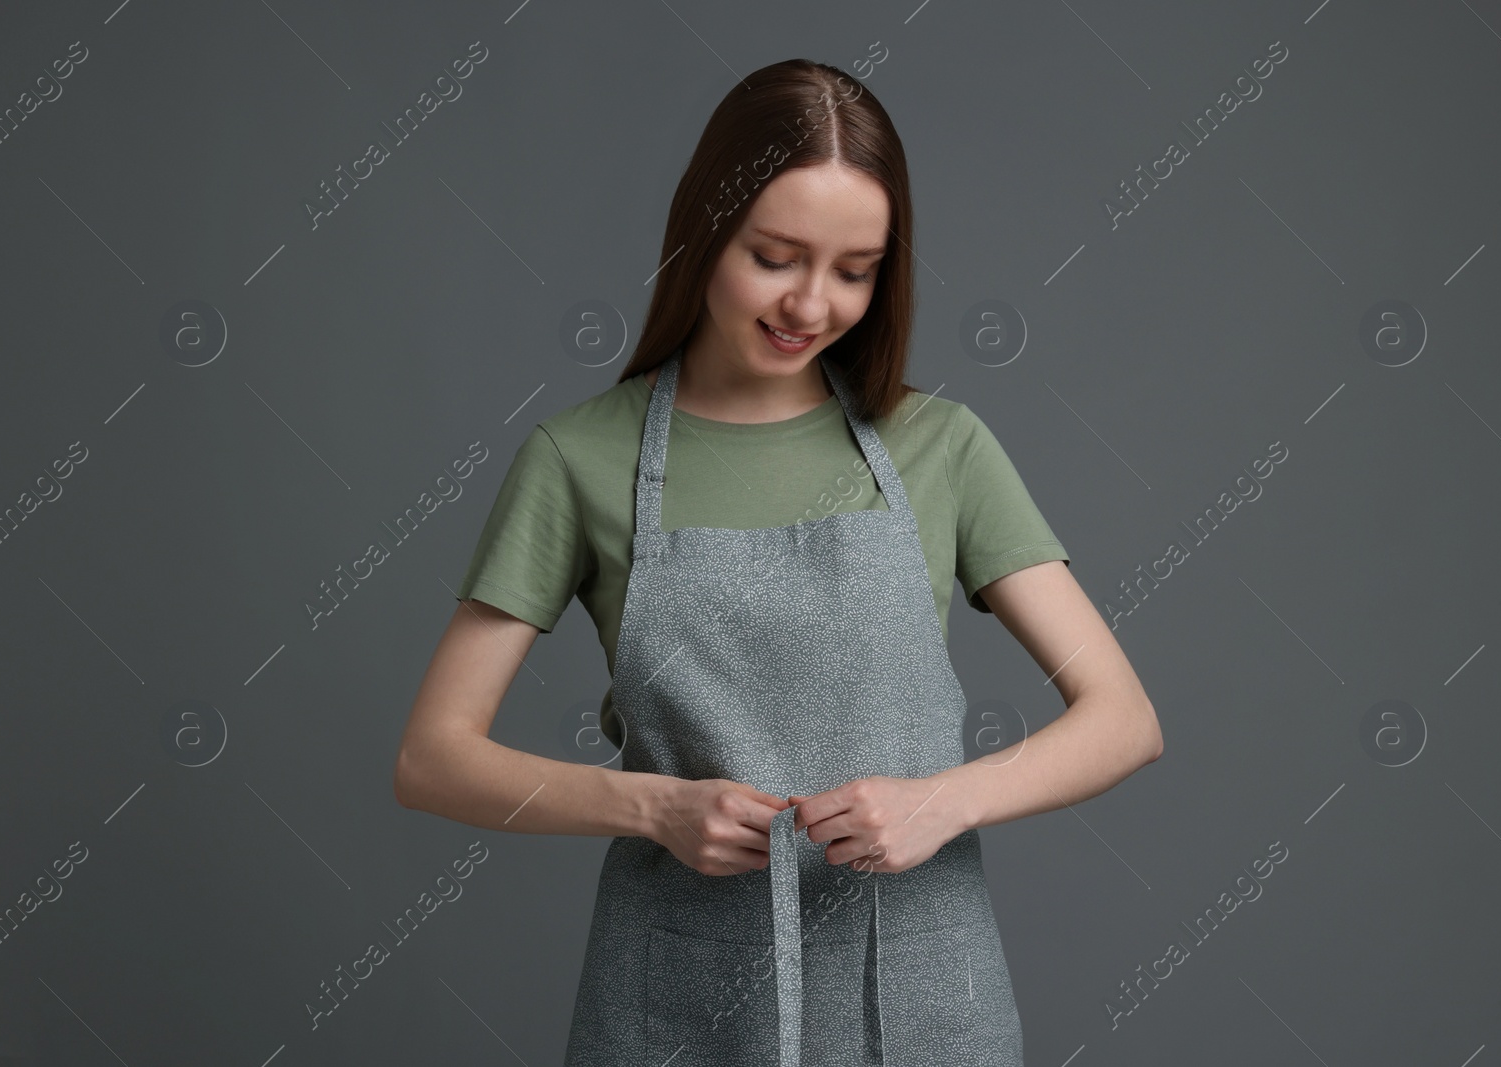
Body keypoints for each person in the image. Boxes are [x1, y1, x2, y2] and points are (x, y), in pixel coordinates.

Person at [393, 57, 1162, 1066]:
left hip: (924, 1000)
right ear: (704, 231)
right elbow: (432, 756)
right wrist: (654, 805)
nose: (811, 302)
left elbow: (1123, 718)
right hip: (675, 1004)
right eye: (775, 255)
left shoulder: (944, 447)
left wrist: (946, 797)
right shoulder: (579, 459)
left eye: (854, 270)